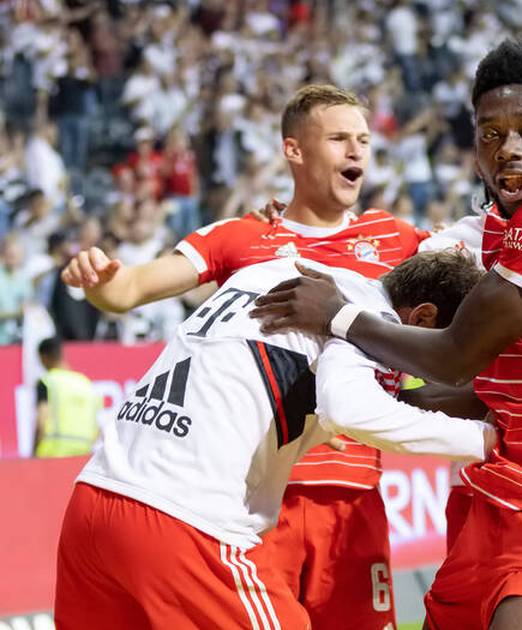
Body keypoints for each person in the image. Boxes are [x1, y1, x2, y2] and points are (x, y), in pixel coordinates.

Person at [250, 39, 522, 630]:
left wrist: (337, 314)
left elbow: (456, 356)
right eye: (491, 134)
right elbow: (488, 392)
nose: (507, 147)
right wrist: (368, 405)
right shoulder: (502, 226)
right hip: (498, 491)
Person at [60, 84, 427, 628]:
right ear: (294, 150)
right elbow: (129, 289)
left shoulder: (397, 239)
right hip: (254, 502)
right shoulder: (242, 236)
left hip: (352, 496)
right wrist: (98, 279)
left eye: (363, 140)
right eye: (338, 139)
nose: (356, 151)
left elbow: (469, 281)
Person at [56, 253, 496, 629]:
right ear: (422, 318)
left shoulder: (272, 270)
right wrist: (487, 440)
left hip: (94, 499)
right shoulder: (366, 316)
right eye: (449, 349)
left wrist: (318, 429)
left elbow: (261, 375)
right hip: (185, 520)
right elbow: (351, 410)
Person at [33, 336, 100, 458]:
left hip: (52, 453)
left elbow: (42, 419)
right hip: (83, 453)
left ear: (44, 357)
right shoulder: (85, 383)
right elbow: (97, 426)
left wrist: (34, 450)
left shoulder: (47, 381)